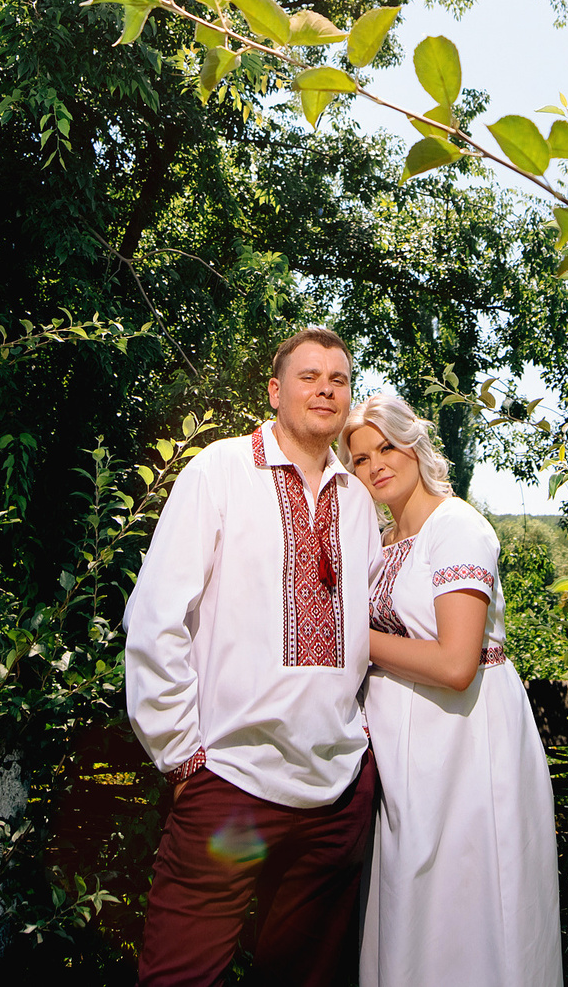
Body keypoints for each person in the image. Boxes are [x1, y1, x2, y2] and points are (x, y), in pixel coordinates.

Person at [123, 327, 381, 987]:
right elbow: (156, 618)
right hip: (231, 785)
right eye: (309, 376)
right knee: (182, 976)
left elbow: (368, 633)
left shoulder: (357, 502)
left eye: (339, 379)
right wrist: (180, 753)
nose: (325, 388)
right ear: (274, 391)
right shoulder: (219, 470)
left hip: (335, 796)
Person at [345, 391, 561, 987]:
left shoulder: (458, 527)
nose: (376, 465)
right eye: (360, 459)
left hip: (466, 739)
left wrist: (348, 636)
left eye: (386, 447)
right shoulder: (382, 543)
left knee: (468, 904)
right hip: (407, 747)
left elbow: (456, 662)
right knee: (411, 901)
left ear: (414, 445)